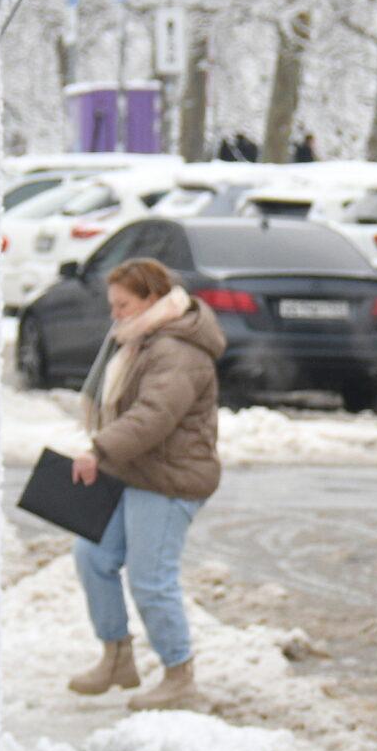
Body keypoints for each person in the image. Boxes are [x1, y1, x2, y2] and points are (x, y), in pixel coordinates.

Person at [67, 257, 224, 708]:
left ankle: (180, 676)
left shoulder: (177, 350)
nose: (114, 314)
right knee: (93, 555)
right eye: (112, 304)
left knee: (151, 579)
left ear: (152, 300)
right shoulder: (143, 340)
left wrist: (100, 449)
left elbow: (154, 416)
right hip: (135, 471)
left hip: (170, 479)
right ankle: (117, 657)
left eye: (123, 304)